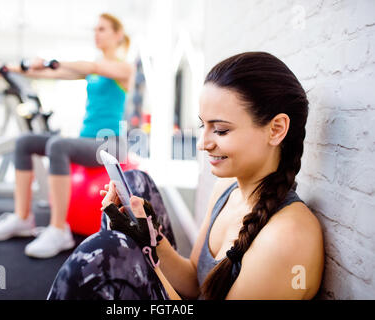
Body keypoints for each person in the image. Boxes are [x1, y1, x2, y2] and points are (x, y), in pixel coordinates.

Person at [47, 52, 324, 300]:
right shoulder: (226, 188)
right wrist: (149, 236)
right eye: (203, 126)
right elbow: (194, 282)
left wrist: (147, 259)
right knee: (135, 184)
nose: (202, 144)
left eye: (221, 130)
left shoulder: (287, 237)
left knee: (102, 254)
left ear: (276, 129)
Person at [0, 13, 134, 259]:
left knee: (58, 145)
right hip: (88, 140)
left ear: (118, 35)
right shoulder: (92, 71)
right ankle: (22, 218)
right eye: (95, 29)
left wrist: (52, 60)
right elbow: (49, 74)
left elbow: (91, 66)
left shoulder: (123, 68)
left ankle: (59, 229)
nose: (97, 33)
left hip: (112, 144)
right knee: (24, 142)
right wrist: (8, 69)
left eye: (103, 29)